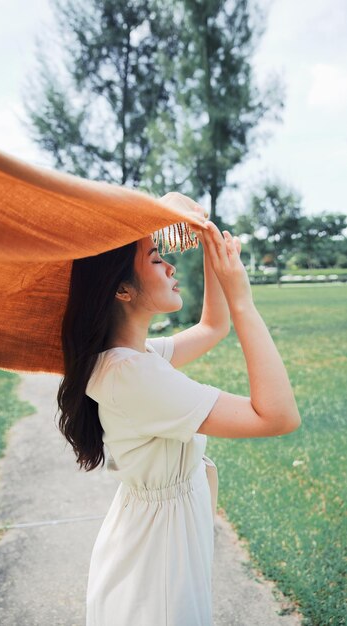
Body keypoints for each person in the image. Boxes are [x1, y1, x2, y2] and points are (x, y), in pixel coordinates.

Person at [56, 192, 301, 626]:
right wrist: (242, 297)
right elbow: (278, 416)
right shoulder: (132, 375)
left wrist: (214, 254)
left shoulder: (130, 358)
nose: (170, 266)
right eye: (155, 259)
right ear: (122, 289)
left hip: (157, 540)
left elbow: (212, 327)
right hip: (158, 566)